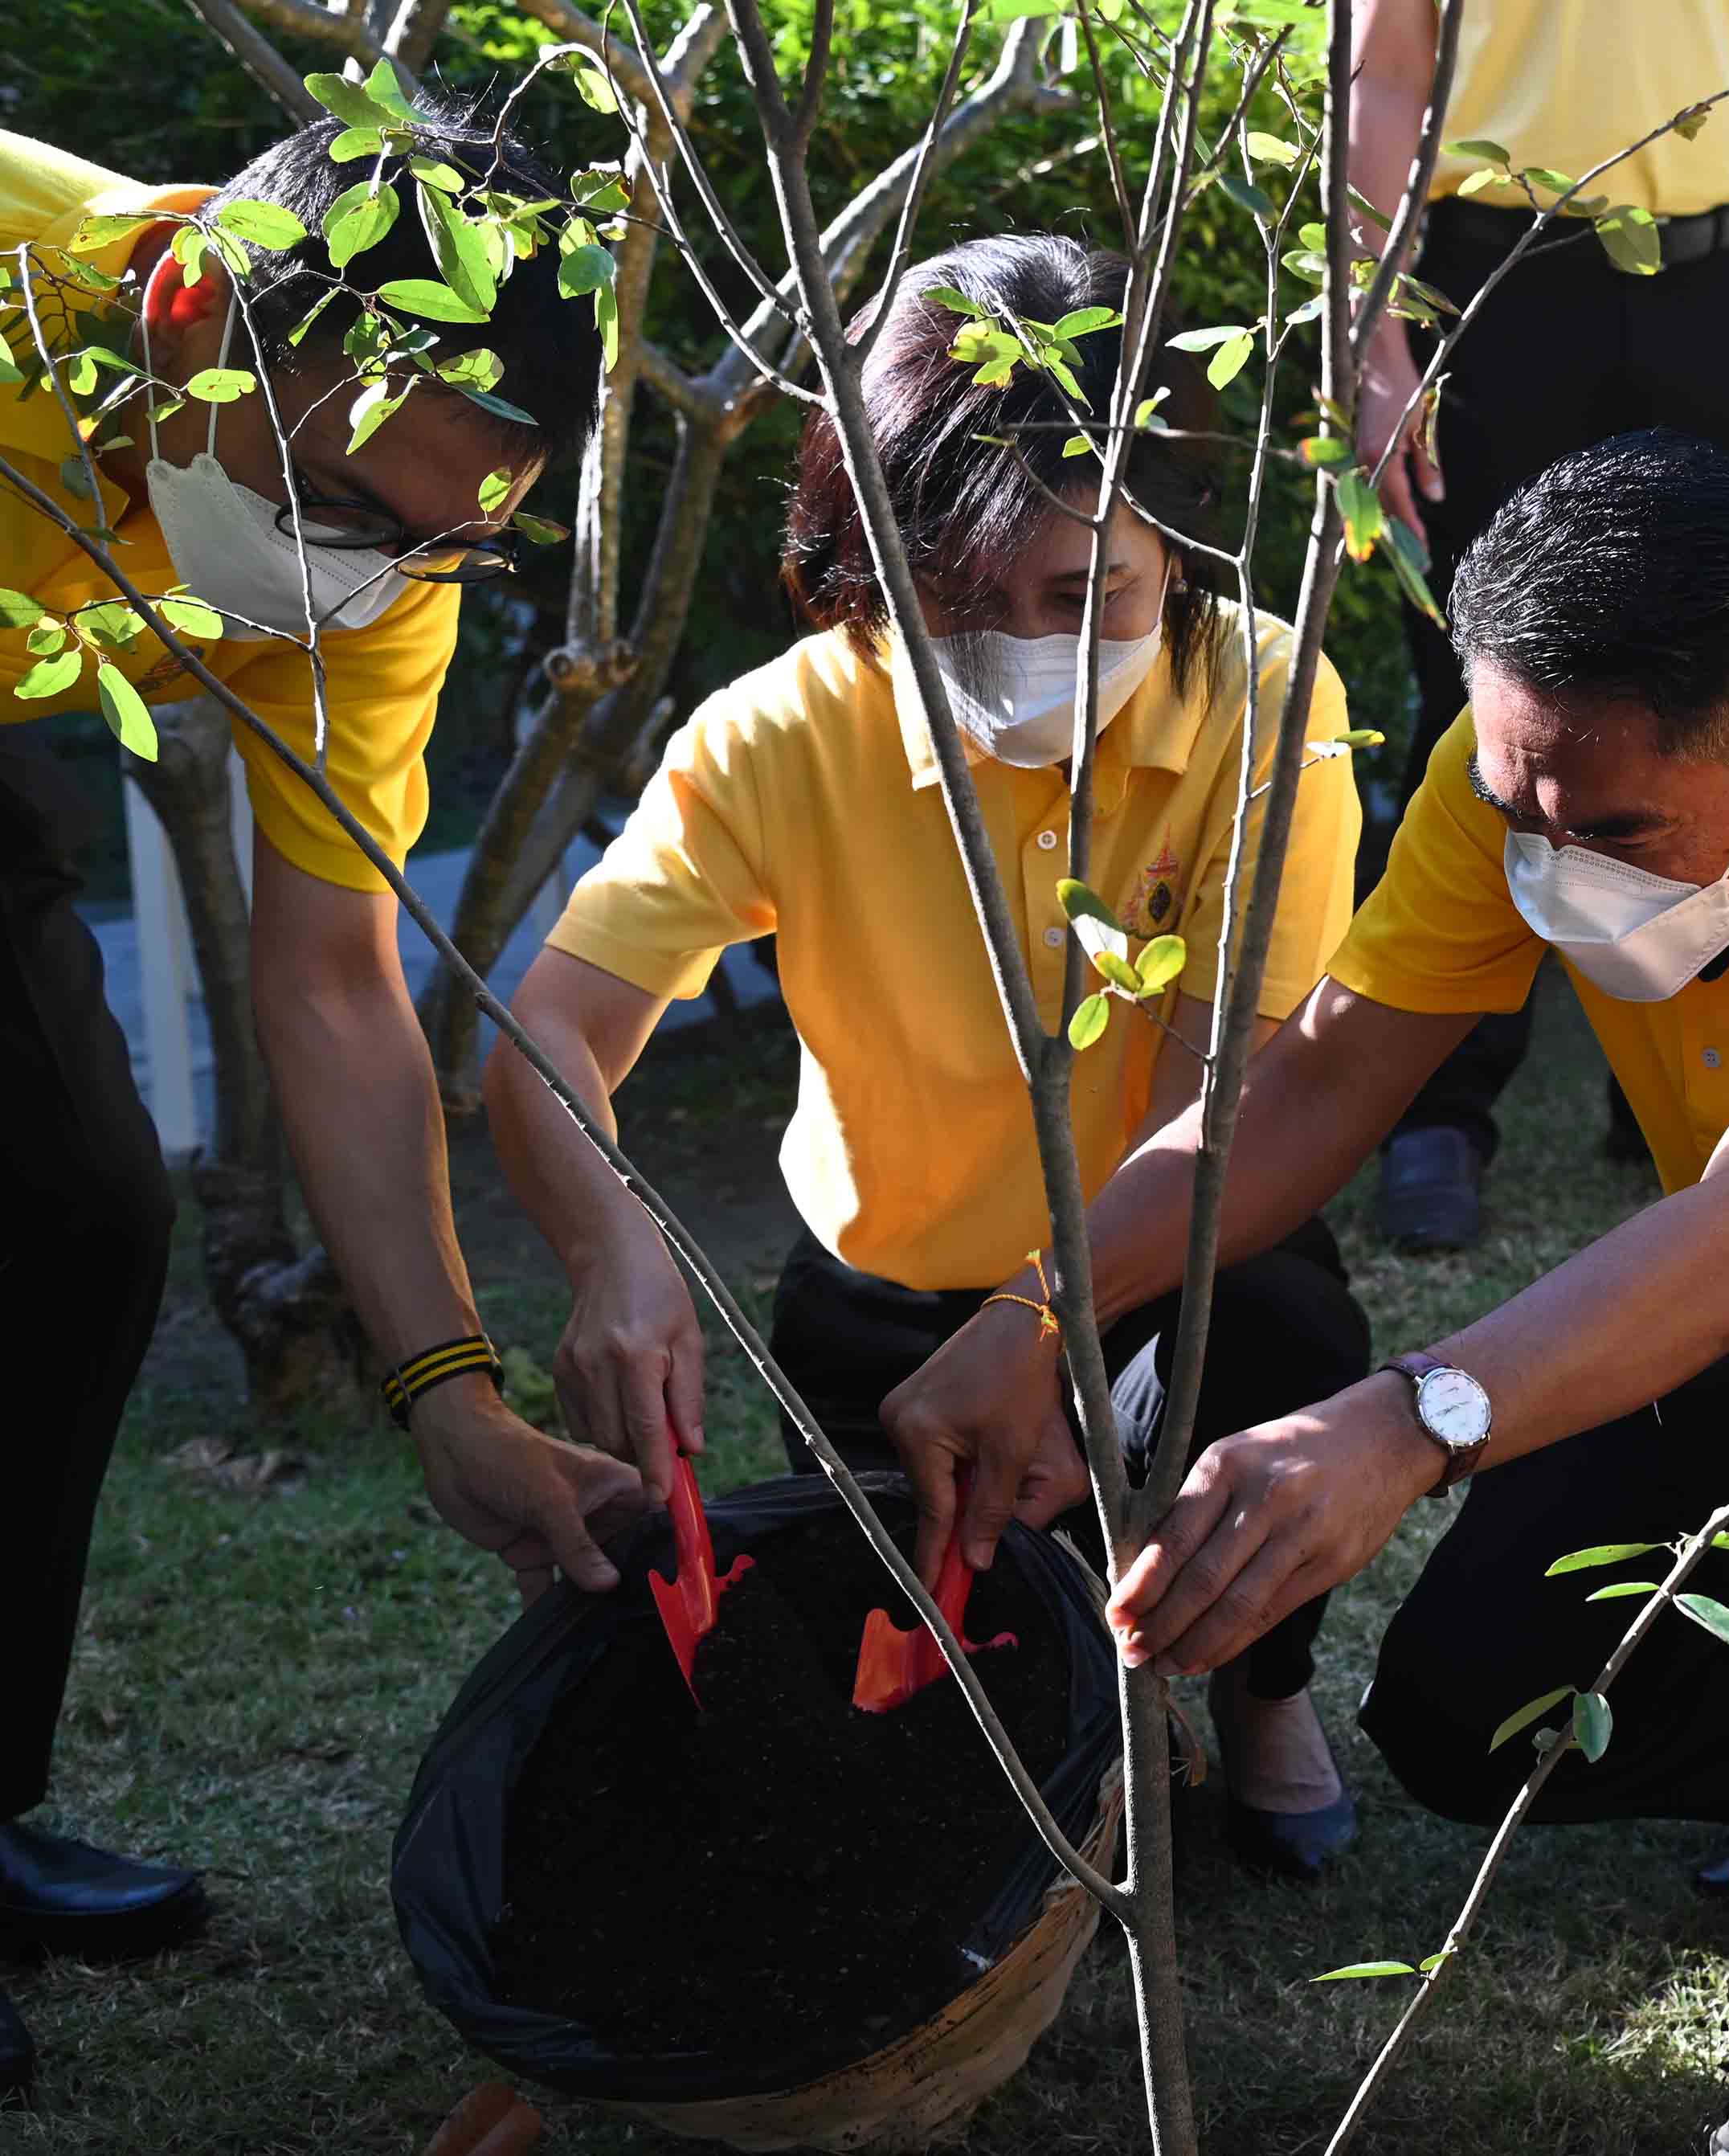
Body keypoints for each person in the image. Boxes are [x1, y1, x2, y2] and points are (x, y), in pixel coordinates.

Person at [885, 431, 1729, 1981]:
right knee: (1463, 1710)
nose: (1547, 863)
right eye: (1516, 809)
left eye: (1614, 835)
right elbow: (1315, 1082)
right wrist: (1040, 1312)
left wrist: (1408, 1420)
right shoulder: (1533, 776)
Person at [485, 233, 1373, 1878]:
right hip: (882, 1296)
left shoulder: (1267, 702)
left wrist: (1053, 1330)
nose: (1031, 646)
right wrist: (612, 1252)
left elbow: (1221, 1097)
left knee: (1279, 1356)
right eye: (962, 599)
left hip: (1167, 1254)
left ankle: (1266, 1688)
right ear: (875, 557)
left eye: (1087, 596)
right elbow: (548, 1033)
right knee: (924, 1666)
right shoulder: (781, 734)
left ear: (1177, 543)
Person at [0, 112, 615, 2080]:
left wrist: (450, 1390)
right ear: (190, 314)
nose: (369, 580)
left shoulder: (379, 561)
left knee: (77, 1211)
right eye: (347, 501)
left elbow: (336, 981)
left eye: (442, 541)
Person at [1343, 0, 1729, 1250]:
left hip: (1719, 291)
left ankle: (1710, 1087)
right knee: (1481, 693)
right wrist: (1374, 338)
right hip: (1497, 288)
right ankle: (1437, 1113)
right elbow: (1385, 75)